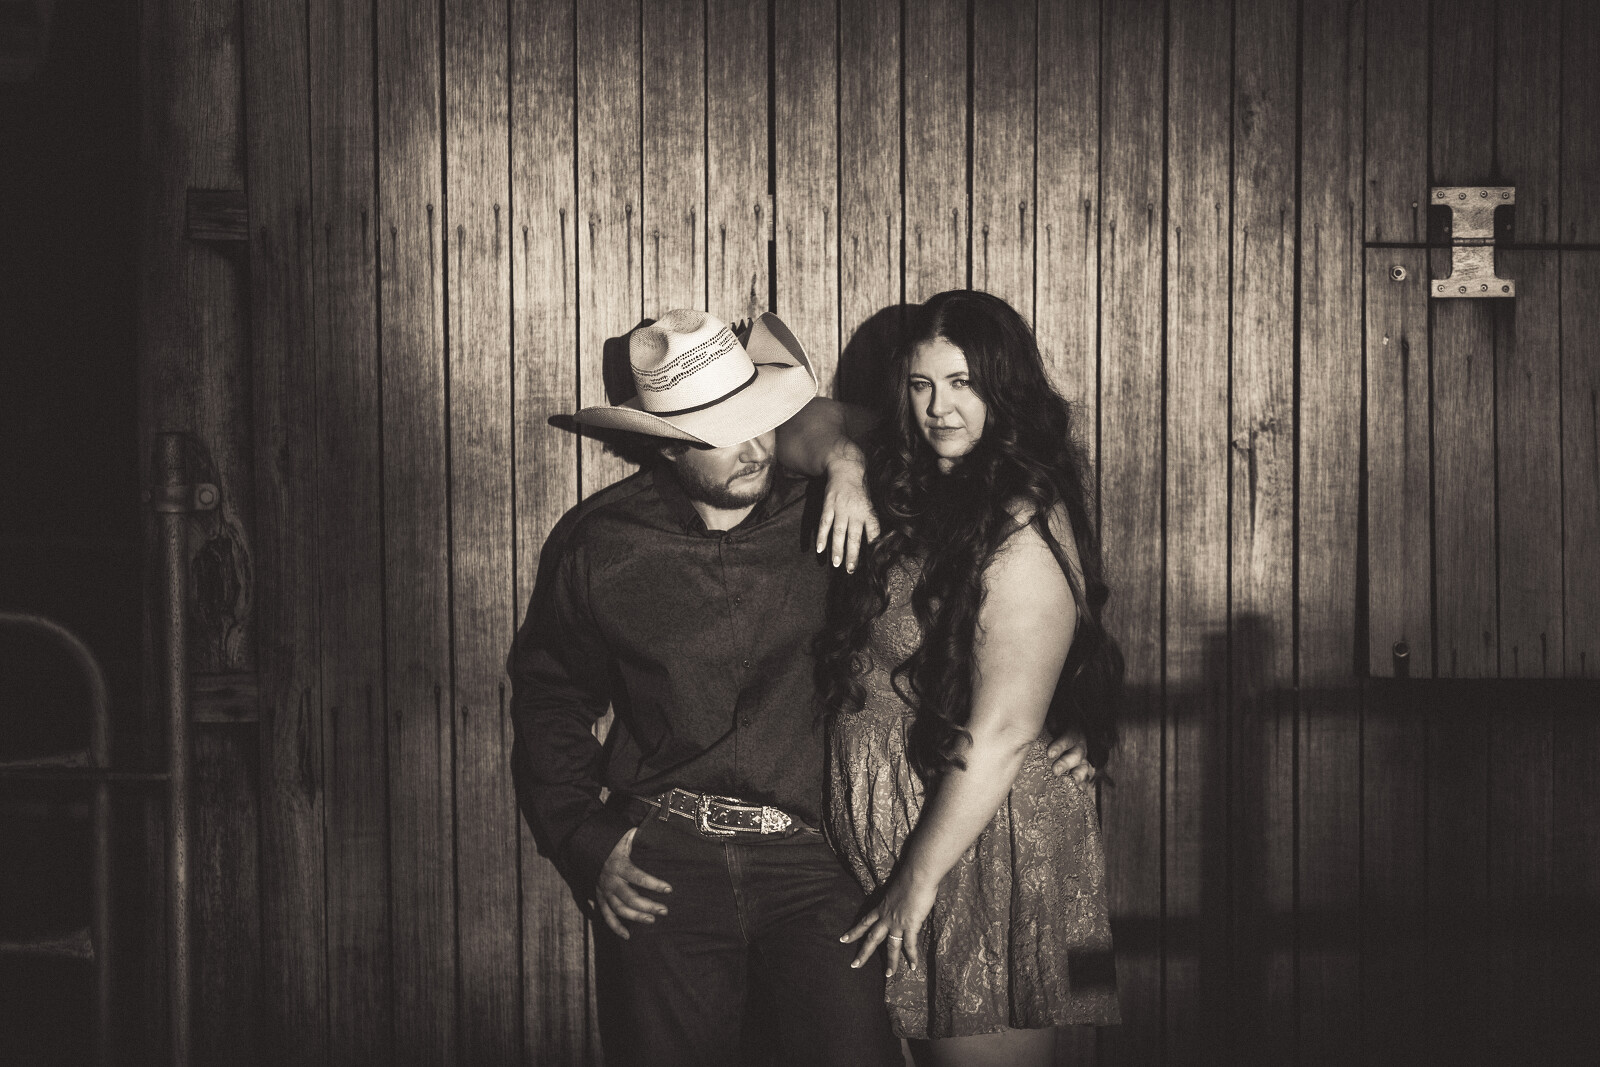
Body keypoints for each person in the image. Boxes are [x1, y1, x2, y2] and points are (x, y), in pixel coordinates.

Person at [509, 307, 1096, 1067]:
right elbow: (551, 695)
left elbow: (1010, 614)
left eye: (759, 421)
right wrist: (585, 837)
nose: (756, 447)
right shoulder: (600, 543)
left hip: (821, 861)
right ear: (667, 443)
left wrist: (1065, 711)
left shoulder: (842, 513)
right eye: (721, 433)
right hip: (667, 859)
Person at [777, 290, 1122, 1067]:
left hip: (970, 836)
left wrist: (917, 876)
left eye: (962, 383)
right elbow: (795, 422)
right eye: (921, 384)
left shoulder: (1023, 515)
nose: (939, 407)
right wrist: (842, 463)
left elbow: (1004, 727)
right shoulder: (915, 460)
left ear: (1004, 388)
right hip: (897, 822)